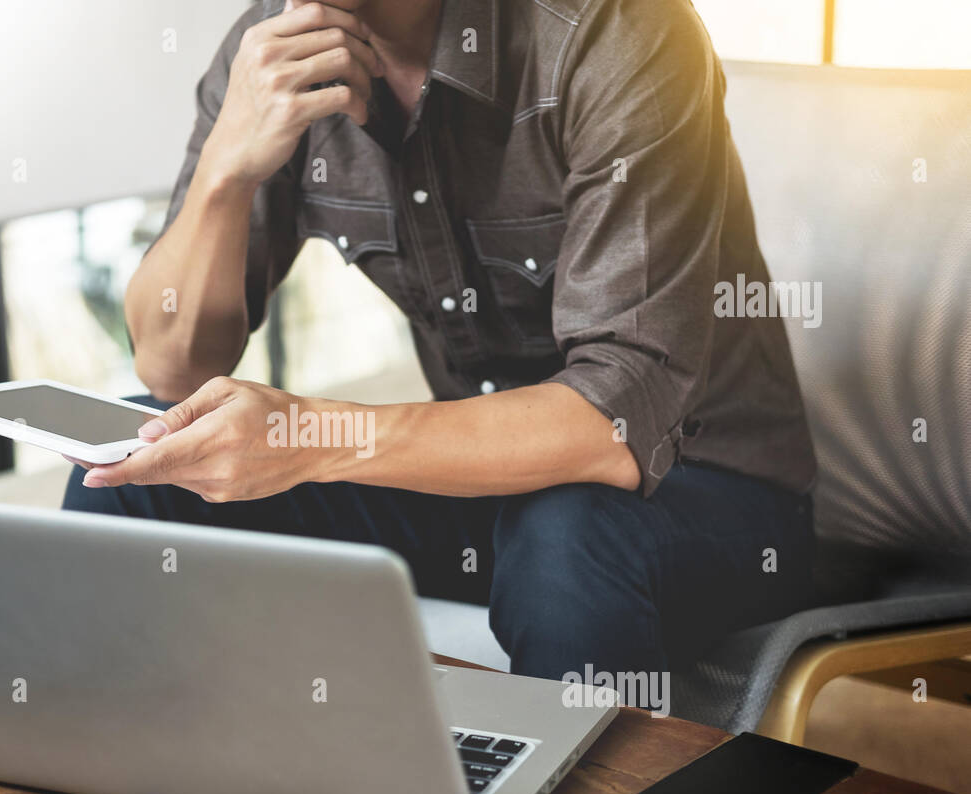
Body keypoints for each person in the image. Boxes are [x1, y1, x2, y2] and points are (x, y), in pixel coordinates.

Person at [63, 0, 817, 681]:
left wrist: (308, 436)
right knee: (139, 466)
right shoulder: (272, 50)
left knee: (562, 534)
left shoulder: (613, 30)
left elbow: (612, 423)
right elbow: (172, 364)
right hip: (483, 488)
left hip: (708, 496)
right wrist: (226, 169)